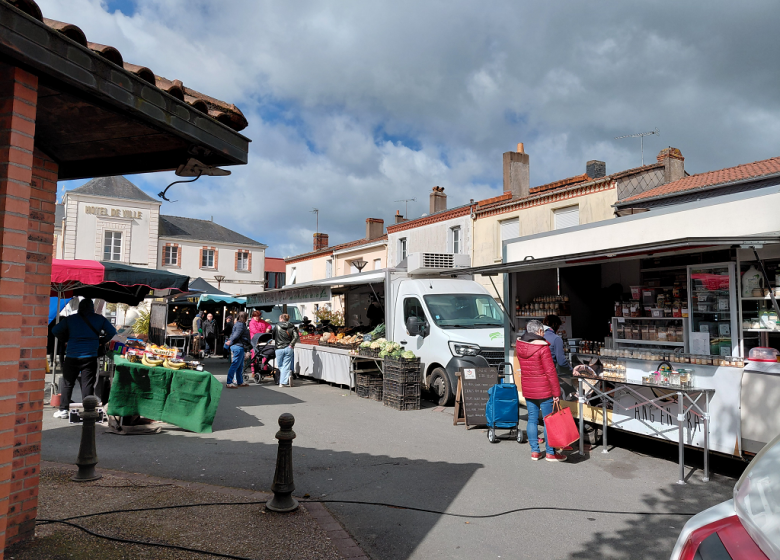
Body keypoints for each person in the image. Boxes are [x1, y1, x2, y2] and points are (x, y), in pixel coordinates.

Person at [51, 298, 117, 419]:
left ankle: (63, 410)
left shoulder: (71, 319)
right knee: (87, 384)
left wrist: (66, 338)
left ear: (80, 307)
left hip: (72, 356)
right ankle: (88, 410)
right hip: (90, 356)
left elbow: (55, 330)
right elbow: (112, 331)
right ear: (92, 308)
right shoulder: (99, 319)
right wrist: (101, 341)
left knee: (67, 383)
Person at [516, 319, 566, 462]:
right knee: (548, 420)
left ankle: (535, 452)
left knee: (532, 418)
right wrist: (556, 393)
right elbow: (551, 372)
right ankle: (550, 453)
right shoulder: (543, 348)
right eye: (543, 331)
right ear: (538, 332)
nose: (544, 333)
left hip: (528, 387)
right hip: (544, 390)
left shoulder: (520, 346)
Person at [224, 311, 251, 388]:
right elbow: (236, 335)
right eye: (247, 316)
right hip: (238, 346)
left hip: (239, 346)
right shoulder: (240, 325)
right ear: (244, 317)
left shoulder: (239, 324)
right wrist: (231, 341)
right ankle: (229, 382)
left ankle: (240, 381)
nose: (248, 318)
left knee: (240, 365)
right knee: (235, 365)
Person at [273, 313, 299, 387]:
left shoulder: (277, 326)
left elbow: (273, 336)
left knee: (280, 365)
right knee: (286, 365)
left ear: (281, 319)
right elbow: (296, 336)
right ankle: (284, 379)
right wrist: (291, 344)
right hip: (288, 347)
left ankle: (283, 380)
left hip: (278, 348)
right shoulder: (292, 326)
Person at [248, 310, 271, 375]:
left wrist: (268, 329)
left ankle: (264, 370)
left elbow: (269, 325)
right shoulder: (251, 322)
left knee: (266, 353)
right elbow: (254, 331)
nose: (257, 317)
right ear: (253, 316)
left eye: (258, 316)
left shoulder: (262, 321)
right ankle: (253, 371)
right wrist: (263, 333)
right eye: (255, 316)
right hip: (255, 340)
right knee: (254, 354)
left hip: (263, 340)